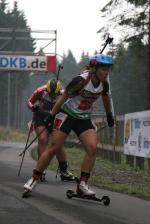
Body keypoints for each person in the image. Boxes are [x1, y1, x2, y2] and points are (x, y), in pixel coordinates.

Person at [24, 53, 114, 195]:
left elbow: (106, 98)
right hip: (67, 114)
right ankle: (34, 178)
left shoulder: (104, 83)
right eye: (103, 69)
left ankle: (82, 185)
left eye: (108, 69)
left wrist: (109, 115)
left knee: (92, 148)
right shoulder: (81, 80)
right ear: (94, 69)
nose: (106, 72)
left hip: (83, 118)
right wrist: (52, 115)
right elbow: (63, 97)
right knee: (54, 147)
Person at [27, 78, 75, 182]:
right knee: (42, 139)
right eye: (50, 93)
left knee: (58, 144)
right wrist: (33, 108)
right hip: (41, 116)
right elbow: (29, 101)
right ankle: (41, 170)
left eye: (55, 94)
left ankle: (64, 171)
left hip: (55, 117)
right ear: (47, 90)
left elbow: (73, 103)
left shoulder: (63, 93)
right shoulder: (40, 91)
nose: (53, 96)